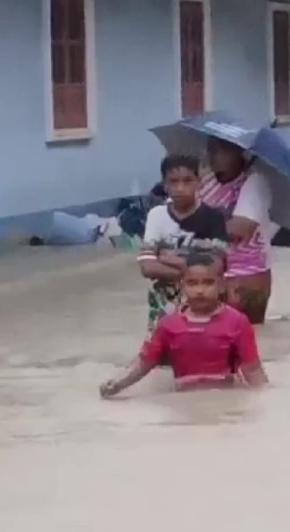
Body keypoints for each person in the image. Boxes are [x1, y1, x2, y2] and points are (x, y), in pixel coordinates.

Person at [100, 251, 268, 397]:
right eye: (192, 283)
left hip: (227, 397)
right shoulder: (168, 325)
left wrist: (267, 397)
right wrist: (118, 383)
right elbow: (145, 362)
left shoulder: (237, 322)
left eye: (208, 282)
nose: (200, 290)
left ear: (222, 285)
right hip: (183, 398)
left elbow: (252, 370)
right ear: (182, 285)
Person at [138, 153, 229, 329]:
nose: (180, 188)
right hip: (163, 309)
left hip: (206, 308)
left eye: (188, 181)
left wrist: (171, 260)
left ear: (199, 182)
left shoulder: (213, 217)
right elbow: (147, 267)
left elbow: (216, 267)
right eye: (173, 181)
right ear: (165, 184)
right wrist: (196, 270)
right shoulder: (157, 215)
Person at [199, 137, 275, 325]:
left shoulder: (255, 182)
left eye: (221, 152)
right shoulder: (206, 182)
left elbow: (240, 228)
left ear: (239, 153)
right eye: (211, 151)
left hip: (246, 277)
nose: (214, 158)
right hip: (212, 277)